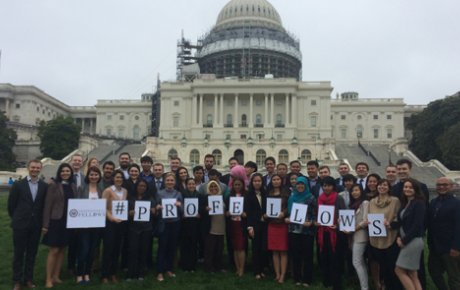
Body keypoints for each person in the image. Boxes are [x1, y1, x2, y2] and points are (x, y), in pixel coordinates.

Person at [8, 159, 48, 290]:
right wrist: (18, 218)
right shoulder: (18, 185)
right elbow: (11, 206)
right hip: (20, 225)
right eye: (33, 167)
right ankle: (17, 280)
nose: (35, 170)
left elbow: (43, 206)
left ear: (40, 169)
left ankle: (29, 279)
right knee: (19, 253)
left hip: (35, 225)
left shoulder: (44, 186)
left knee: (32, 253)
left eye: (37, 168)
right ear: (28, 168)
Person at [42, 163, 77, 288]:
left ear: (71, 173)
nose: (65, 173)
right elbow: (47, 206)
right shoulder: (53, 185)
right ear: (59, 172)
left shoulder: (73, 186)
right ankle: (48, 279)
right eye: (63, 171)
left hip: (68, 221)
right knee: (54, 250)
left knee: (62, 249)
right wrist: (45, 225)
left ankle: (56, 276)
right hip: (56, 221)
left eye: (68, 171)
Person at [368, 179, 403, 290]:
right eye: (380, 185)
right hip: (375, 237)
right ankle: (380, 284)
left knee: (390, 265)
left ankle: (391, 286)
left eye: (385, 185)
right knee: (379, 264)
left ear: (389, 188)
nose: (382, 187)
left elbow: (399, 217)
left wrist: (390, 224)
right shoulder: (372, 201)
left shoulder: (395, 201)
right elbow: (369, 216)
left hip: (390, 236)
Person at [427, 177, 460, 290]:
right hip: (435, 246)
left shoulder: (456, 203)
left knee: (453, 277)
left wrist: (456, 247)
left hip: (450, 247)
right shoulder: (433, 202)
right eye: (439, 185)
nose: (441, 187)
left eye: (445, 185)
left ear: (451, 186)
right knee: (434, 272)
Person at [394, 179, 426, 290]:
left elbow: (417, 226)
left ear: (416, 189)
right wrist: (389, 224)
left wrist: (403, 241)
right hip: (407, 240)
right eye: (405, 187)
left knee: (399, 270)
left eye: (410, 187)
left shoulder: (419, 203)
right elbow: (401, 222)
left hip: (413, 241)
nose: (407, 189)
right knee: (413, 274)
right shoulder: (407, 202)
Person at [315, 176, 346, 290]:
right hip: (322, 232)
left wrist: (337, 225)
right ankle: (326, 280)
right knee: (324, 257)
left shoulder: (338, 198)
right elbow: (317, 214)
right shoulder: (319, 199)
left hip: (335, 233)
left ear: (333, 186)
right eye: (324, 185)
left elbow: (344, 215)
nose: (326, 188)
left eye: (329, 185)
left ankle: (336, 282)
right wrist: (316, 222)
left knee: (335, 258)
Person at [75, 166, 103, 284]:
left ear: (99, 176)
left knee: (92, 250)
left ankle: (87, 273)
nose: (94, 177)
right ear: (88, 176)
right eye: (91, 175)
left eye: (96, 175)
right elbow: (76, 205)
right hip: (84, 225)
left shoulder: (101, 190)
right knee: (84, 250)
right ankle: (79, 273)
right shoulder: (82, 188)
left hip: (96, 225)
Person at [286, 176, 316, 287]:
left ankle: (307, 279)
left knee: (307, 255)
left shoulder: (311, 198)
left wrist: (311, 222)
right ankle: (297, 278)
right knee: (296, 255)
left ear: (306, 186)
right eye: (298, 184)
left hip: (306, 231)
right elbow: (290, 213)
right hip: (294, 230)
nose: (299, 186)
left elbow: (315, 214)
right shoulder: (292, 198)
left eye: (302, 184)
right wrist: (287, 218)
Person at [101, 170, 128, 284]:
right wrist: (111, 218)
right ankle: (104, 275)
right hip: (110, 223)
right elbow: (103, 207)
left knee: (117, 248)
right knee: (108, 249)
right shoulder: (108, 191)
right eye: (117, 177)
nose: (119, 179)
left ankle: (113, 273)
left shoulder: (125, 191)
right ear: (113, 178)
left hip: (121, 223)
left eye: (121, 177)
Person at [155, 172, 183, 281]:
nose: (170, 182)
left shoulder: (178, 194)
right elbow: (156, 209)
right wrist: (157, 207)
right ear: (165, 182)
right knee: (162, 247)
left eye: (172, 180)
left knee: (172, 247)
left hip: (175, 223)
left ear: (174, 182)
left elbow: (182, 210)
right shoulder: (159, 193)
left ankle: (169, 269)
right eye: (168, 180)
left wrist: (180, 206)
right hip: (164, 224)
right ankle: (159, 271)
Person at [127, 179, 156, 281]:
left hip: (146, 228)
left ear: (146, 188)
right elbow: (125, 213)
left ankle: (141, 273)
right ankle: (131, 273)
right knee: (133, 251)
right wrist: (129, 213)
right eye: (140, 186)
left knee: (144, 251)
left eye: (144, 186)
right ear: (136, 187)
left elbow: (155, 213)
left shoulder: (150, 199)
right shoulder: (131, 199)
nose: (142, 188)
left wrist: (153, 211)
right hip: (133, 229)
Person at [265, 174, 289, 283]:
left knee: (283, 251)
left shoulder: (286, 192)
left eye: (278, 179)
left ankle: (283, 274)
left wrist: (284, 213)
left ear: (281, 180)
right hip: (272, 224)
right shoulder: (268, 193)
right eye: (274, 179)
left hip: (282, 224)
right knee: (274, 251)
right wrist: (265, 214)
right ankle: (277, 273)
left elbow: (290, 206)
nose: (276, 181)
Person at [245, 173, 268, 279]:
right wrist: (249, 227)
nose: (257, 183)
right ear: (252, 182)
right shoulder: (248, 195)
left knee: (264, 248)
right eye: (255, 181)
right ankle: (256, 271)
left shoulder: (265, 194)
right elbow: (248, 212)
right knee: (255, 248)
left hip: (265, 224)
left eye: (259, 181)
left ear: (262, 182)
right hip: (254, 225)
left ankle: (262, 269)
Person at [348, 184, 369, 290]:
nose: (354, 192)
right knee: (360, 262)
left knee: (356, 262)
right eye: (352, 191)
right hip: (353, 237)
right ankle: (365, 286)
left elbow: (365, 221)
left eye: (357, 190)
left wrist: (353, 229)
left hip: (361, 236)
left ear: (361, 191)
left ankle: (364, 287)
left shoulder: (365, 203)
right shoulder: (352, 204)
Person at [202, 180, 226, 272]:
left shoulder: (222, 197)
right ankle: (209, 267)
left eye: (215, 187)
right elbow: (200, 209)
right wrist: (205, 209)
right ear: (208, 188)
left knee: (219, 248)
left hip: (221, 225)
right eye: (211, 187)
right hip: (210, 226)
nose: (213, 189)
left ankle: (218, 266)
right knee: (210, 248)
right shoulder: (206, 198)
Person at [179, 178, 202, 272]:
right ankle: (185, 265)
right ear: (186, 185)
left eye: (193, 184)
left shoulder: (199, 195)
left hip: (195, 223)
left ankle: (192, 265)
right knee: (185, 245)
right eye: (189, 184)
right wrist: (182, 214)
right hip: (184, 223)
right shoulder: (182, 194)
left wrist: (199, 213)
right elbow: (180, 206)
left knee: (193, 244)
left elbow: (201, 207)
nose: (191, 186)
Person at [226, 177, 247, 277]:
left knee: (241, 247)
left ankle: (242, 268)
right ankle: (237, 268)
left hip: (241, 224)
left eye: (239, 185)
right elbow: (225, 211)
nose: (237, 186)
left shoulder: (246, 196)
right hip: (232, 223)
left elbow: (250, 210)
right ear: (232, 186)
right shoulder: (229, 196)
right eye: (235, 185)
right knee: (235, 247)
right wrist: (228, 213)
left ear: (242, 185)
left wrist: (245, 214)